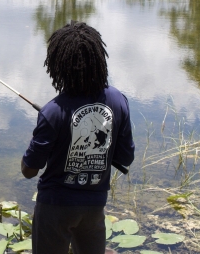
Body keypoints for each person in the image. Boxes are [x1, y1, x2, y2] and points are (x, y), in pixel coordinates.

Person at [21, 21, 135, 254]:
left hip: (54, 208)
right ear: (98, 60)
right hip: (94, 206)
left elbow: (29, 170)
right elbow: (126, 156)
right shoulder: (118, 101)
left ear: (58, 66)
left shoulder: (53, 111)